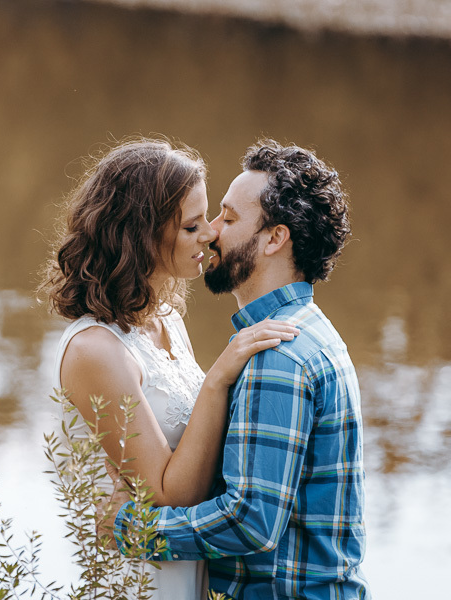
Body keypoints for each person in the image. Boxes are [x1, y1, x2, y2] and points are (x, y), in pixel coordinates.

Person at [102, 139, 371, 599]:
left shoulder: (277, 354)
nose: (210, 232)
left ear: (273, 239)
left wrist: (132, 529)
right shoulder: (306, 331)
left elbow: (250, 522)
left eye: (227, 218)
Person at [40, 137, 300, 600]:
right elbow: (168, 494)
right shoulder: (96, 350)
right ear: (142, 234)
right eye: (192, 225)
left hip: (185, 564)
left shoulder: (167, 320)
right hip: (140, 578)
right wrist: (219, 377)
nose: (210, 235)